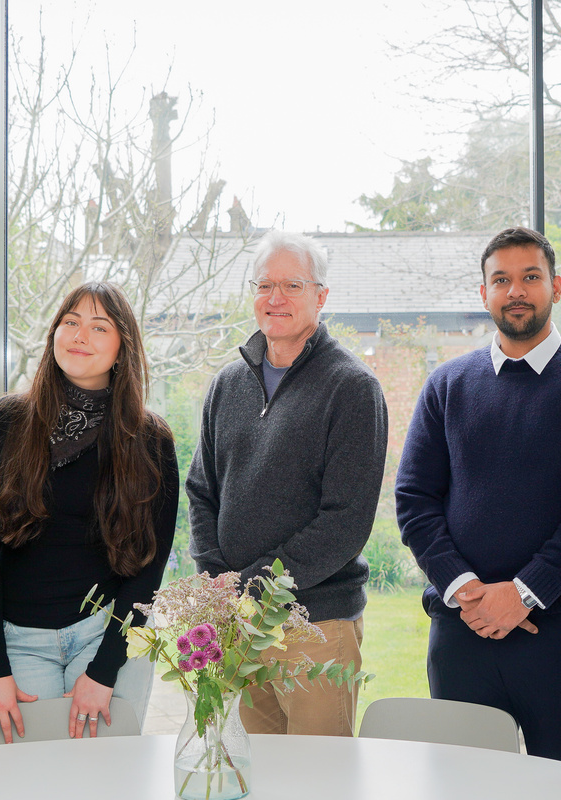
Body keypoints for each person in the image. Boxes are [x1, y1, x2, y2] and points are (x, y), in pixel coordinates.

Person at [395, 226, 561, 770]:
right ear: (483, 293)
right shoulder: (447, 384)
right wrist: (466, 591)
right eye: (500, 280)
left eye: (530, 277)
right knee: (464, 784)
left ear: (556, 285)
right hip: (462, 632)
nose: (516, 291)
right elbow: (414, 498)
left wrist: (526, 592)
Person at [186, 230, 388, 737]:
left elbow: (344, 523)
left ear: (321, 296)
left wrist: (252, 585)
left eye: (292, 285)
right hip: (237, 622)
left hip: (316, 624)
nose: (275, 298)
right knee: (255, 773)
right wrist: (218, 582)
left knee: (319, 782)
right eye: (265, 284)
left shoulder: (353, 388)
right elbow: (201, 490)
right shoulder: (227, 384)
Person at [0, 282, 178, 745]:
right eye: (71, 321)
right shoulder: (5, 422)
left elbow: (149, 567)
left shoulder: (150, 439)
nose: (81, 335)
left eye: (100, 326)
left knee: (105, 780)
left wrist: (104, 672)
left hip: (107, 635)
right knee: (28, 781)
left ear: (123, 348)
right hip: (19, 641)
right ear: (54, 333)